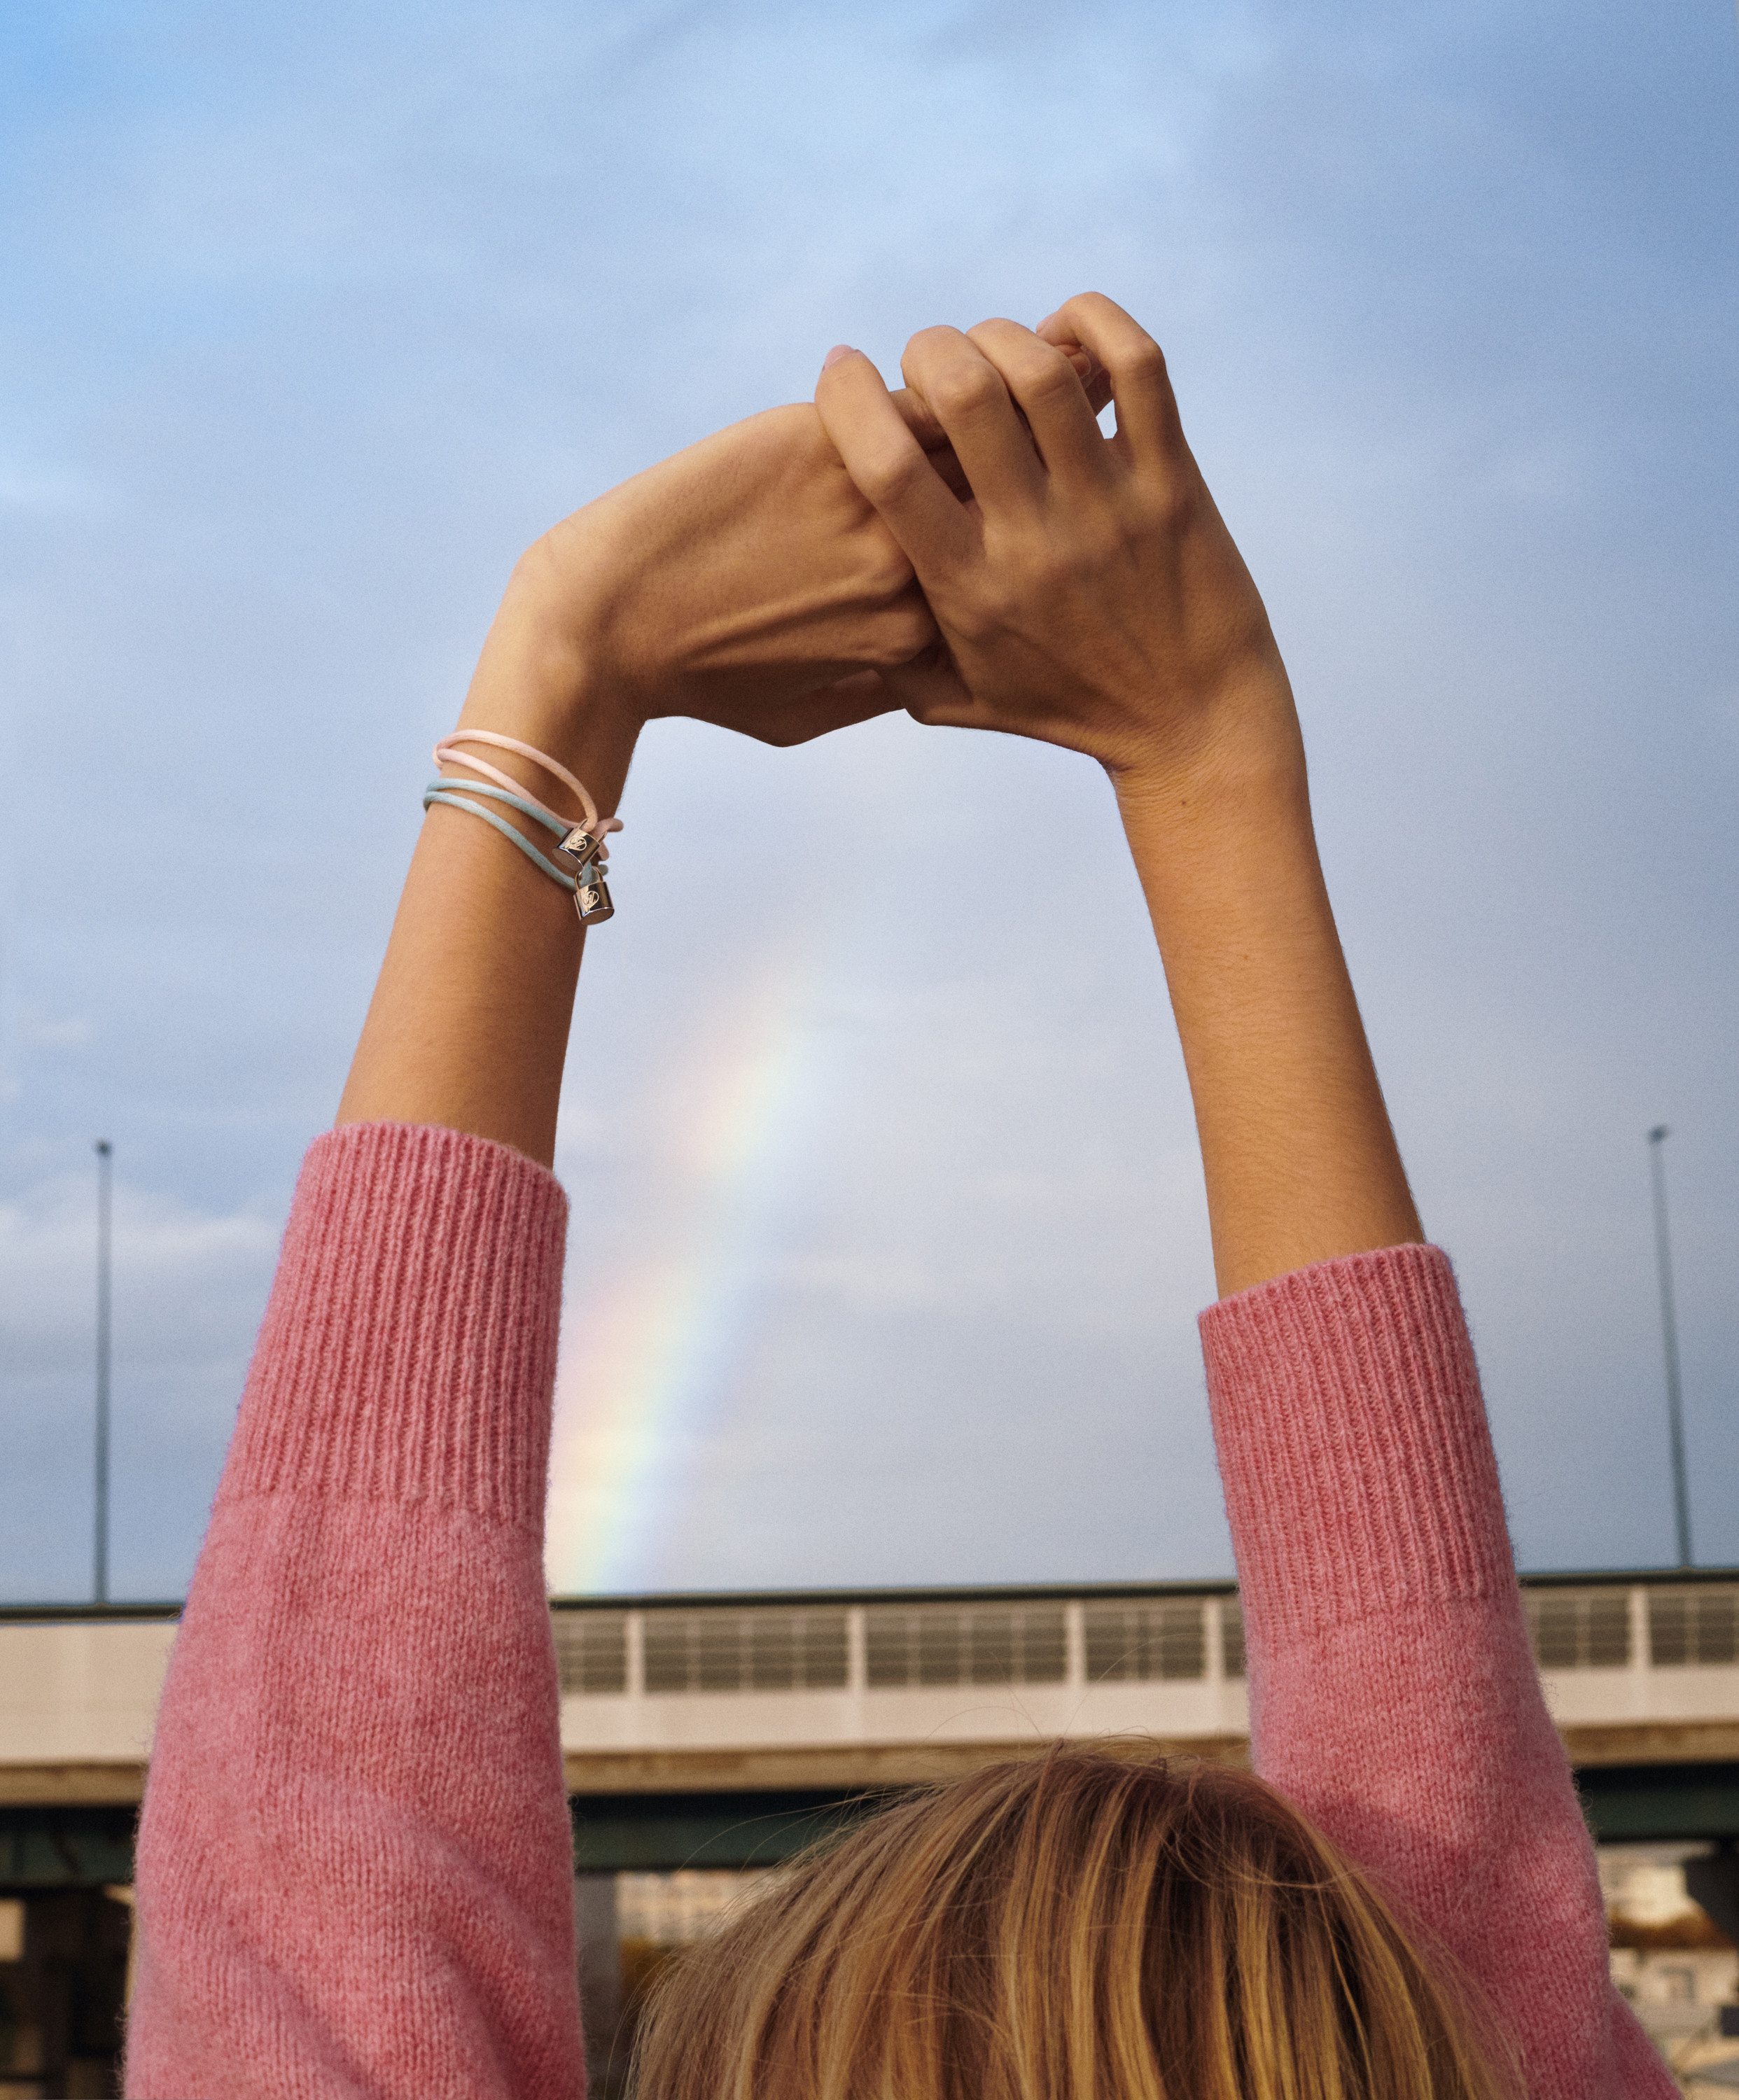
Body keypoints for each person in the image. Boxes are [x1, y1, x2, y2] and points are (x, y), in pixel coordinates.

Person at [123, 294, 1671, 2098]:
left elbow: (321, 1811)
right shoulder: (1463, 2034)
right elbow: (1462, 1916)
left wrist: (567, 656)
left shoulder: (1474, 2022)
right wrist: (1207, 760)